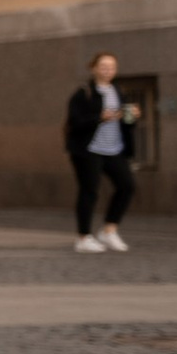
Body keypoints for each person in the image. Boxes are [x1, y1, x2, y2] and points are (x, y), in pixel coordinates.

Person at [65, 51, 139, 253]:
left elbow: (127, 124)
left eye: (112, 67)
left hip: (114, 148)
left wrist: (132, 116)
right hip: (88, 150)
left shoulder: (118, 90)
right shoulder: (84, 92)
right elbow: (75, 123)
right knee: (89, 191)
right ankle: (83, 237)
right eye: (104, 66)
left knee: (127, 186)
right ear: (94, 68)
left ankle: (109, 230)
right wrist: (99, 118)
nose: (108, 70)